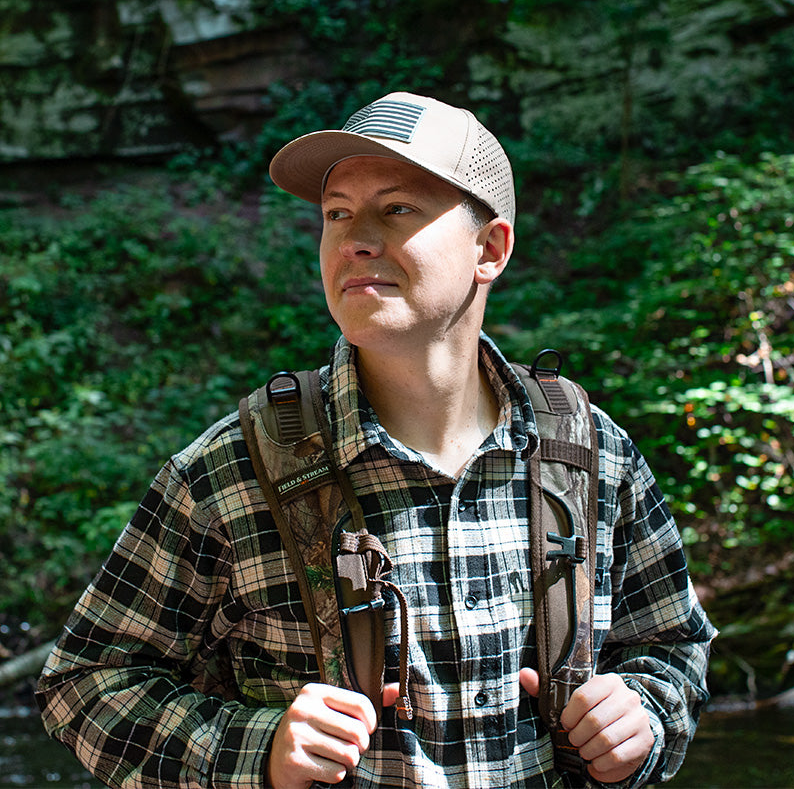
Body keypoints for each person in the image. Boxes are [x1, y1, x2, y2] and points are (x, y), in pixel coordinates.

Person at [37, 91, 715, 789]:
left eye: (396, 208)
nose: (355, 237)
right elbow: (85, 683)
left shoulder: (591, 454)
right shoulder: (229, 470)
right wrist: (259, 750)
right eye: (337, 214)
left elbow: (673, 647)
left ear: (490, 248)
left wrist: (647, 717)